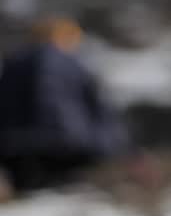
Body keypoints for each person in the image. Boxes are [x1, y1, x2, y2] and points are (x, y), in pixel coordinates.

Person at [0, 17, 131, 191]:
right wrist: (116, 146)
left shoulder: (12, 64)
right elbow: (99, 111)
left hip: (15, 148)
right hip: (69, 146)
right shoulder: (72, 65)